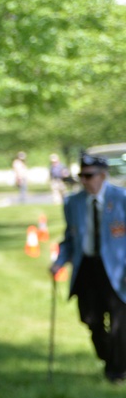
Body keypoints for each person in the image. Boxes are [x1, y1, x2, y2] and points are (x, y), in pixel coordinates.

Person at [50, 153, 126, 383]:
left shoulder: (121, 198)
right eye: (81, 176)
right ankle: (109, 358)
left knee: (119, 322)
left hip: (117, 270)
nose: (84, 181)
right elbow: (70, 238)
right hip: (87, 268)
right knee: (90, 319)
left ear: (103, 175)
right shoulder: (72, 203)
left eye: (88, 175)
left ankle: (117, 370)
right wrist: (59, 261)